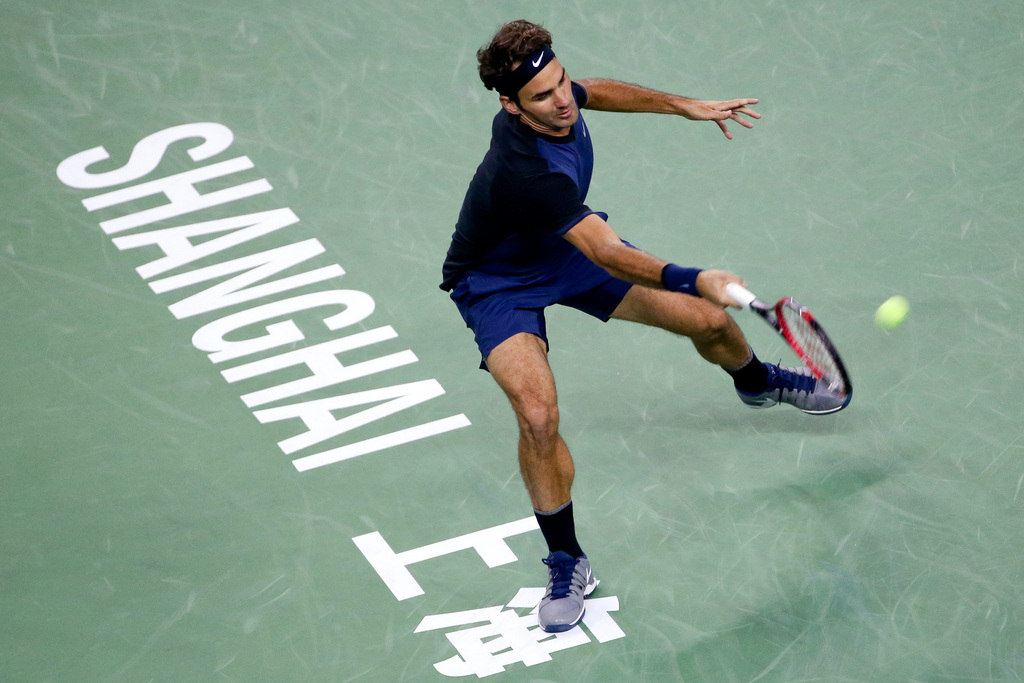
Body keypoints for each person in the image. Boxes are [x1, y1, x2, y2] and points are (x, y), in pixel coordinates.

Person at [440, 20, 850, 634]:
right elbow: (604, 251)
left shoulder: (557, 98)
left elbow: (594, 91)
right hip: (497, 280)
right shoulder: (527, 170)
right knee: (537, 415)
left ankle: (757, 380)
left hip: (561, 251)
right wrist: (693, 274)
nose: (562, 101)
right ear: (508, 105)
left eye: (560, 83)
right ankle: (565, 558)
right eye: (543, 96)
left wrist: (681, 105)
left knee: (710, 322)